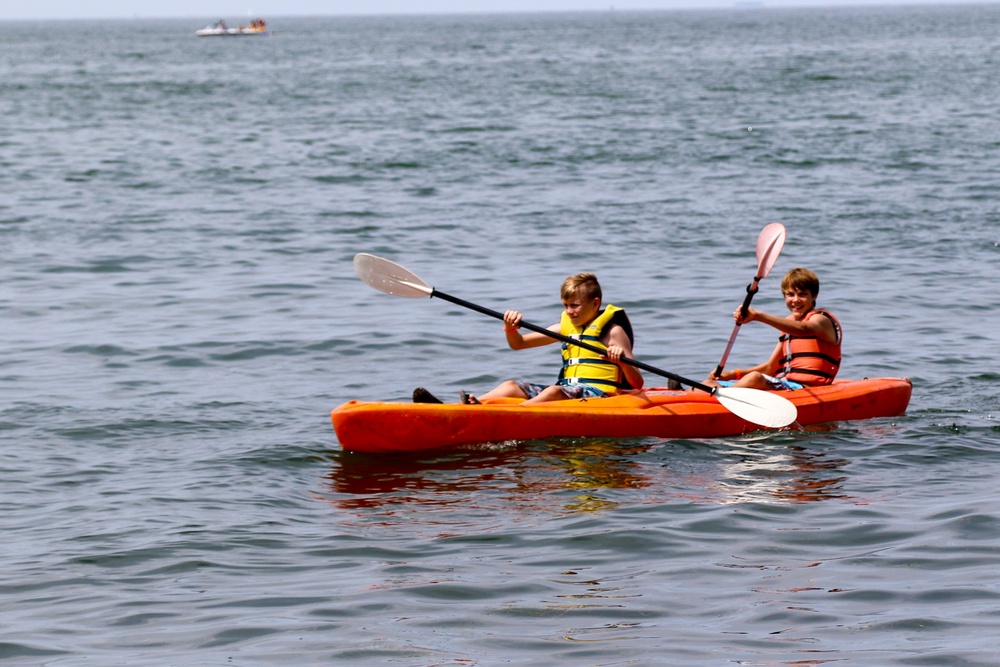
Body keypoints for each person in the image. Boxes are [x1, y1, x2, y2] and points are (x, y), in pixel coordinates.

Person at [413, 273, 643, 404]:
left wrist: (621, 361)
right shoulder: (564, 328)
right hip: (568, 389)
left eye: (575, 305)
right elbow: (519, 344)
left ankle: (512, 417)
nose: (570, 311)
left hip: (597, 395)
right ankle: (463, 409)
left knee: (552, 392)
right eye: (566, 306)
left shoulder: (612, 332)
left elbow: (636, 383)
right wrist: (510, 329)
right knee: (510, 386)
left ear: (595, 304)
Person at [706, 267, 841, 391]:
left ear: (814, 296)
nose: (795, 300)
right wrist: (733, 374)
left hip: (804, 387)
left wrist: (758, 316)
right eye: (790, 294)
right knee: (708, 383)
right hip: (782, 382)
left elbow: (804, 329)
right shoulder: (789, 324)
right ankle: (712, 397)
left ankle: (720, 399)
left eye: (802, 295)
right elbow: (770, 367)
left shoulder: (821, 320)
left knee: (755, 378)